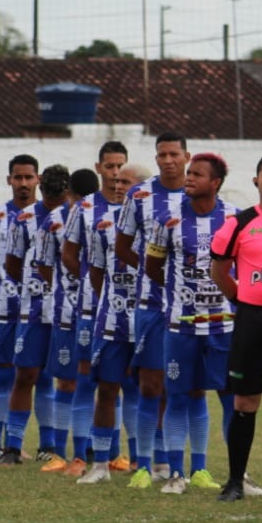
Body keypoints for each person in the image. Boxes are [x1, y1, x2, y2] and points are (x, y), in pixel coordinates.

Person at [145, 152, 236, 494]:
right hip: (180, 326)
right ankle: (176, 474)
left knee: (231, 397)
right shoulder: (167, 219)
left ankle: (235, 474)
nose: (189, 177)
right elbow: (153, 266)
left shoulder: (232, 217)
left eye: (197, 174)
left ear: (215, 183)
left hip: (223, 326)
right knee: (178, 395)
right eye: (189, 172)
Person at [209, 153, 262, 501]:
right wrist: (242, 297)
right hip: (251, 321)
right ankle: (234, 481)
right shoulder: (239, 222)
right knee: (245, 402)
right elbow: (219, 269)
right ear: (256, 181)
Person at [117, 132, 190, 480]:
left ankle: (174, 459)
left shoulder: (199, 192)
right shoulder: (140, 195)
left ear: (186, 156)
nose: (167, 160)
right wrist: (155, 273)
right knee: (149, 383)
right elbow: (122, 245)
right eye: (162, 154)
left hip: (190, 307)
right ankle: (147, 460)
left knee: (181, 384)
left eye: (174, 153)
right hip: (150, 302)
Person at [62, 142, 131, 476]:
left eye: (120, 166)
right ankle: (79, 455)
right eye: (109, 166)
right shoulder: (87, 207)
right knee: (89, 379)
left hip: (132, 310)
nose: (115, 173)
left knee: (128, 381)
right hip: (93, 310)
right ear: (99, 167)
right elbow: (69, 253)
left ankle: (117, 454)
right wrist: (94, 285)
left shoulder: (139, 205)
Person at [0, 164, 70, 466]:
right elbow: (12, 265)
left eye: (59, 194)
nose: (54, 199)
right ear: (42, 188)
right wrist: (35, 287)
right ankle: (13, 446)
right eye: (49, 193)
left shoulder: (76, 218)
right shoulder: (25, 220)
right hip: (35, 309)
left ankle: (56, 447)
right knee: (26, 374)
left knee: (68, 379)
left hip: (68, 309)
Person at [83, 163, 147, 486]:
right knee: (107, 389)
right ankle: (101, 464)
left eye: (128, 181)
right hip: (112, 321)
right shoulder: (102, 224)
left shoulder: (156, 225)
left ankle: (148, 462)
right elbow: (95, 272)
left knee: (150, 391)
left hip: (148, 320)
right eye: (117, 180)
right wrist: (114, 300)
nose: (120, 186)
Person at [36, 167, 101, 474]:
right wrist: (69, 287)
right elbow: (45, 265)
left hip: (95, 310)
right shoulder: (54, 221)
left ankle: (96, 450)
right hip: (68, 311)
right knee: (69, 378)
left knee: (100, 379)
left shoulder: (108, 216)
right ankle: (60, 451)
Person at [0, 154, 41, 459]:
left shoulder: (51, 217)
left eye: (29, 177)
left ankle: (47, 446)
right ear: (9, 181)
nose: (24, 183)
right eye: (18, 177)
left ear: (38, 179)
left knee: (40, 378)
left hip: (40, 311)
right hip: (4, 310)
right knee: (4, 376)